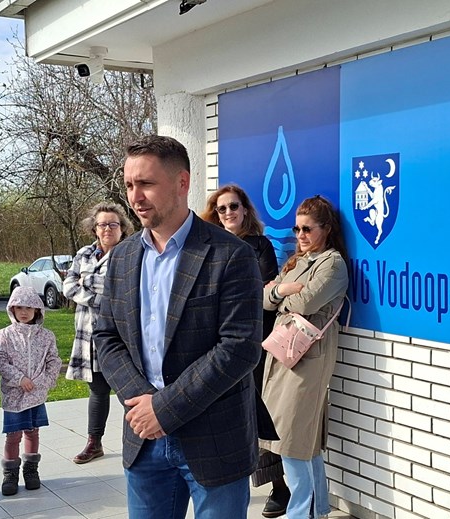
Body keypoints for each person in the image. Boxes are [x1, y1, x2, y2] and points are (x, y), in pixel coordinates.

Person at [93, 135, 262, 518]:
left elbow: (239, 348)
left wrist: (164, 409)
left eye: (146, 184)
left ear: (182, 182)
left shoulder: (231, 255)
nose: (135, 197)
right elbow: (107, 336)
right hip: (143, 437)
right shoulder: (122, 257)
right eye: (129, 185)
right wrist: (143, 402)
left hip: (214, 439)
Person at [201, 185, 289, 517]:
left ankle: (278, 487)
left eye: (233, 206)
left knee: (256, 410)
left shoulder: (258, 245)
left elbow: (263, 291)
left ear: (245, 209)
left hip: (252, 339)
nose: (228, 213)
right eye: (221, 208)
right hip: (214, 341)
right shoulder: (207, 245)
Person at [261, 195, 349, 519]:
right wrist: (283, 291)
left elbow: (305, 303)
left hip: (308, 359)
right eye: (297, 229)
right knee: (302, 441)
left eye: (308, 229)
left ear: (326, 229)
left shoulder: (332, 264)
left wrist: (280, 293)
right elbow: (265, 298)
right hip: (285, 352)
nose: (300, 235)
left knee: (293, 440)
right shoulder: (298, 261)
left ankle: (301, 512)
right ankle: (318, 510)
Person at [63, 202, 134, 464]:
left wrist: (87, 282)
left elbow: (123, 289)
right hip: (88, 335)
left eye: (113, 224)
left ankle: (137, 443)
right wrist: (97, 297)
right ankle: (94, 442)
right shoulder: (84, 253)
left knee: (130, 392)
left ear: (122, 228)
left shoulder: (129, 253)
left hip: (120, 335)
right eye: (102, 224)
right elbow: (68, 286)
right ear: (94, 228)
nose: (107, 229)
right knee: (98, 390)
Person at [0, 286, 62, 496]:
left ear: (37, 310)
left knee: (33, 431)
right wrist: (19, 379)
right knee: (13, 435)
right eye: (19, 307)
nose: (24, 312)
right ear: (12, 309)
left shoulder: (46, 336)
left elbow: (54, 361)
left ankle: (31, 470)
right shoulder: (4, 335)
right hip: (14, 395)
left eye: (29, 308)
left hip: (36, 394)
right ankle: (10, 473)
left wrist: (44, 381)